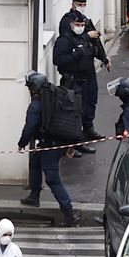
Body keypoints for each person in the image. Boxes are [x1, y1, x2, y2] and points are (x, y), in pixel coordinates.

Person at [17, 72, 81, 228]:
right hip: (55, 143)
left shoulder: (36, 105)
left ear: (34, 88)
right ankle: (34, 196)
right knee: (34, 164)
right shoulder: (54, 99)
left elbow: (30, 127)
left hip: (48, 146)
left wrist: (22, 143)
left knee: (52, 179)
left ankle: (68, 212)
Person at [58, 0, 111, 155]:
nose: (82, 7)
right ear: (74, 3)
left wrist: (104, 58)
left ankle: (88, 128)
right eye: (80, 4)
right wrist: (88, 36)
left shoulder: (86, 21)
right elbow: (71, 42)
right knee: (76, 108)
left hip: (88, 69)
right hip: (74, 73)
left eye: (83, 4)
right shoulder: (67, 22)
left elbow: (96, 43)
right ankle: (77, 139)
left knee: (91, 100)